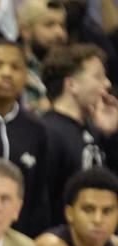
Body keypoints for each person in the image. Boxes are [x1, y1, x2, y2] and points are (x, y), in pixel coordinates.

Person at [0, 39, 51, 237]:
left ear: (26, 75)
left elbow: (39, 197)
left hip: (20, 239)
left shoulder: (37, 129)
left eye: (16, 67)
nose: (7, 73)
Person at [41, 43, 118, 226]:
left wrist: (112, 133)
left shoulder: (94, 130)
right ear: (71, 85)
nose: (107, 84)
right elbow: (44, 202)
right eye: (98, 77)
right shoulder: (48, 132)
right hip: (62, 241)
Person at [16, 0, 68, 112]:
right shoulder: (14, 70)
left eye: (62, 25)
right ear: (25, 31)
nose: (60, 33)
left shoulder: (70, 70)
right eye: (49, 25)